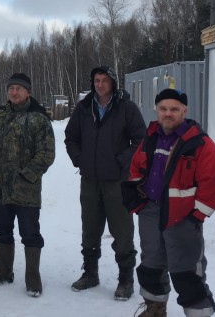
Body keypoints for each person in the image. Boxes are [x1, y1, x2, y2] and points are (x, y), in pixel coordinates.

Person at [122, 89, 215, 317]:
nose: (168, 114)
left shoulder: (199, 143)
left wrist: (197, 216)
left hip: (183, 218)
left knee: (186, 272)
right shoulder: (151, 138)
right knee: (151, 266)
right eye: (163, 109)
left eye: (174, 109)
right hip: (151, 213)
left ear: (184, 111)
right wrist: (139, 200)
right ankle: (154, 309)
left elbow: (213, 184)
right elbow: (136, 168)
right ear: (157, 110)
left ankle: (198, 314)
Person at [64, 66, 145, 299]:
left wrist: (122, 162)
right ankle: (90, 273)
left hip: (117, 181)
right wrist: (80, 159)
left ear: (113, 83)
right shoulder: (83, 108)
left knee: (121, 230)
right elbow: (71, 137)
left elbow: (140, 139)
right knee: (90, 228)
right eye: (96, 80)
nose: (100, 85)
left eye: (104, 81)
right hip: (90, 180)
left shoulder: (125, 108)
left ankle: (125, 278)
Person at [0, 73, 55, 297]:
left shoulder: (39, 119)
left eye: (19, 88)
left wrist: (27, 176)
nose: (14, 92)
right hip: (0, 186)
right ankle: (3, 270)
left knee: (30, 233)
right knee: (1, 230)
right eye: (11, 88)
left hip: (27, 190)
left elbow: (47, 153)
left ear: (28, 92)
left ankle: (32, 276)